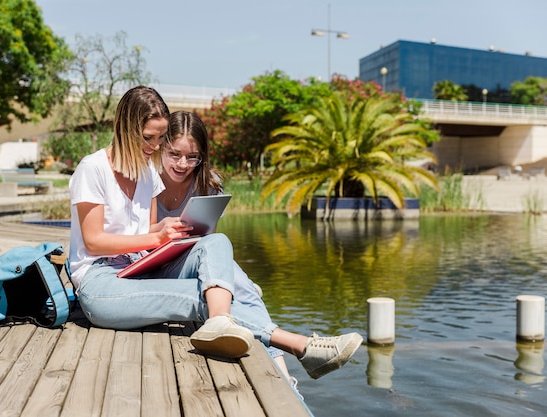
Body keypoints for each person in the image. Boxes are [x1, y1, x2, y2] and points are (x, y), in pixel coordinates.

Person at [68, 85, 363, 381]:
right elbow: (94, 242)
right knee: (201, 296)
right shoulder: (93, 168)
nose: (155, 147)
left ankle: (222, 321)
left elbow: (144, 230)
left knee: (216, 240)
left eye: (160, 138)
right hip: (100, 282)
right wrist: (156, 237)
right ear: (124, 128)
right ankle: (299, 345)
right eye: (148, 138)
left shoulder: (145, 172)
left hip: (138, 270)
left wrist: (169, 230)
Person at [157, 110, 296, 386]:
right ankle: (287, 362)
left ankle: (284, 377)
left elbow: (211, 240)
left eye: (192, 156)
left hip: (192, 261)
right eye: (174, 154)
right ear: (162, 146)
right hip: (155, 267)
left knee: (239, 281)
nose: (183, 163)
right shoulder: (146, 181)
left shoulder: (208, 184)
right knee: (240, 282)